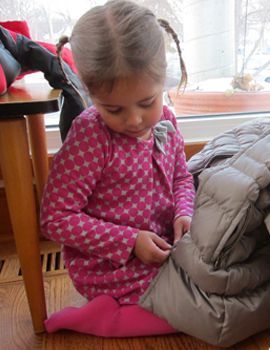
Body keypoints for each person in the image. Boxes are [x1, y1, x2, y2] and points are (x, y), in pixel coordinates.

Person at [41, 0, 195, 325]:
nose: (136, 120)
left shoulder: (166, 119)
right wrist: (129, 241)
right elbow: (55, 218)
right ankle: (97, 317)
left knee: (217, 278)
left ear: (163, 81)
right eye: (114, 110)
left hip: (165, 247)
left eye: (146, 102)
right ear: (89, 91)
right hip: (110, 267)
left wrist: (184, 212)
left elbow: (181, 176)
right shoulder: (90, 136)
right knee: (193, 309)